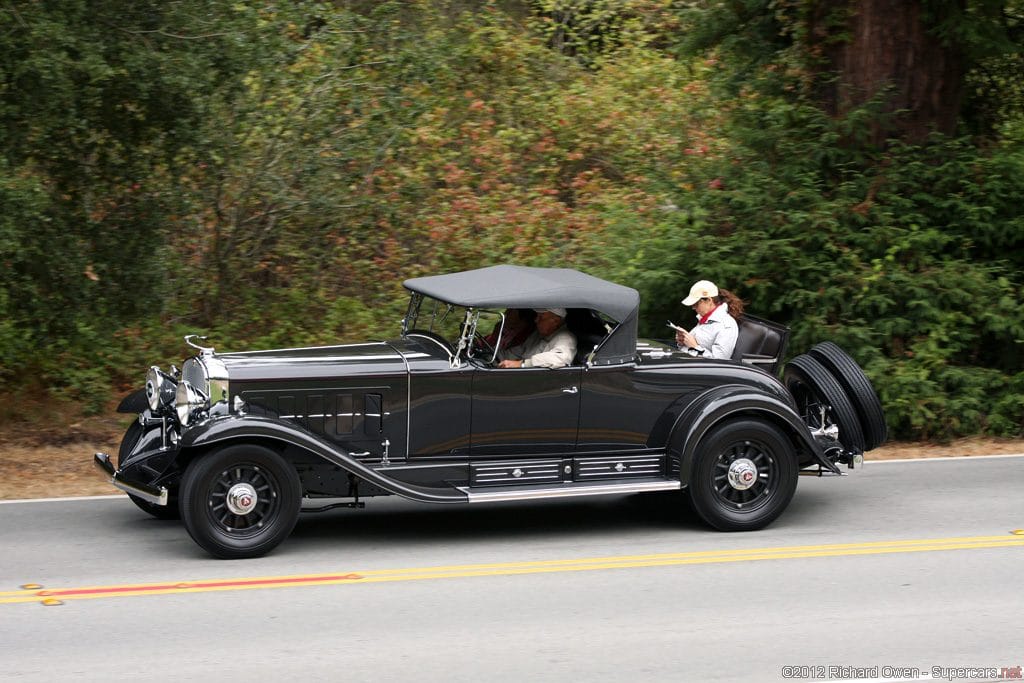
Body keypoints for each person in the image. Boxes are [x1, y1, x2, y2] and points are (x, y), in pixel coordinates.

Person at [675, 280, 743, 359]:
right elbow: (689, 349)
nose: (693, 307)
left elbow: (719, 361)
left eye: (696, 304)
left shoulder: (726, 325)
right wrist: (682, 342)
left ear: (709, 300)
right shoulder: (704, 319)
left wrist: (694, 347)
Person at [497, 308, 577, 369]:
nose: (536, 320)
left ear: (555, 321)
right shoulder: (537, 335)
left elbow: (560, 359)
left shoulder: (566, 338)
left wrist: (522, 364)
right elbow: (517, 352)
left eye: (541, 317)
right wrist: (494, 356)